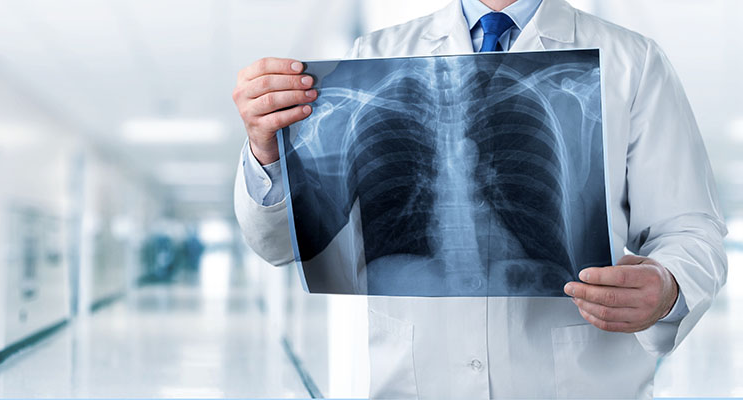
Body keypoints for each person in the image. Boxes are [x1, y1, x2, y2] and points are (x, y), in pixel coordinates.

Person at [231, 0, 728, 398]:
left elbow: (691, 229)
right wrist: (266, 151)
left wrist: (666, 286)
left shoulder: (632, 61)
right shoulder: (366, 57)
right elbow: (283, 245)